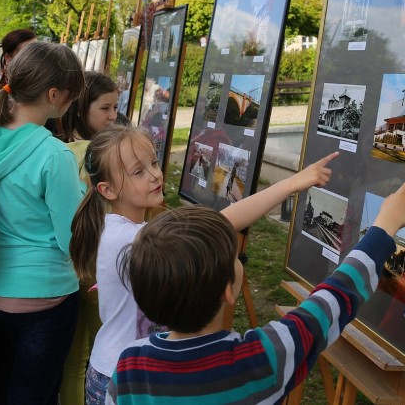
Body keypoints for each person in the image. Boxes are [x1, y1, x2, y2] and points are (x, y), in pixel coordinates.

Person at [69, 125, 339, 405]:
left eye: (152, 162)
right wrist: (292, 184)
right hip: (120, 378)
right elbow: (224, 222)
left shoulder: (127, 228)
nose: (154, 175)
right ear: (107, 189)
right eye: (138, 172)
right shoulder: (128, 237)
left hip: (128, 370)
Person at [106, 178, 405, 404]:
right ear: (228, 292)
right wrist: (382, 231)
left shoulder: (130, 366)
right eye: (235, 257)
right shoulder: (261, 360)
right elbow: (333, 300)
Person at [0, 40, 85, 404]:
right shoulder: (54, 155)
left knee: (2, 387)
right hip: (45, 295)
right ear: (54, 95)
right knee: (34, 395)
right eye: (71, 96)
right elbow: (73, 240)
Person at [54, 72, 119, 405]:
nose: (113, 116)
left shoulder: (57, 149)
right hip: (99, 270)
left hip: (68, 268)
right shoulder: (101, 152)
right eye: (105, 108)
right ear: (82, 107)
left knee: (73, 360)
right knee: (105, 353)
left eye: (116, 107)